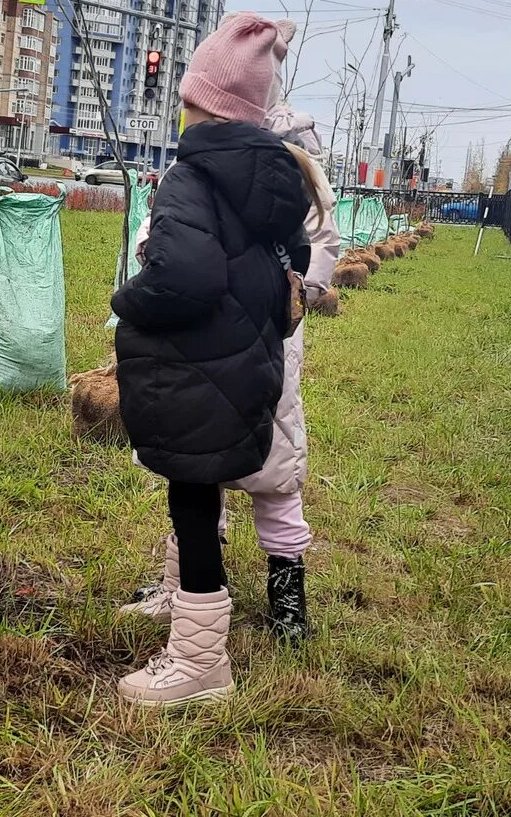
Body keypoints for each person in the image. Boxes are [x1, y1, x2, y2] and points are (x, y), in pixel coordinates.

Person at [110, 13, 318, 707]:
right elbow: (296, 262)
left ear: (199, 102)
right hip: (243, 366)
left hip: (196, 370)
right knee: (195, 493)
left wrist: (130, 299)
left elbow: (187, 277)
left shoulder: (192, 178)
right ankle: (180, 605)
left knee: (193, 498)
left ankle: (200, 663)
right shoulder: (270, 179)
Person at [121, 99, 337, 644]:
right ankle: (243, 597)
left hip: (239, 337)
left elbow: (165, 246)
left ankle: (271, 600)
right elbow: (317, 256)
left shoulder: (225, 170)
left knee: (230, 467)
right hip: (269, 337)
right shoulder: (288, 176)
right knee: (248, 467)